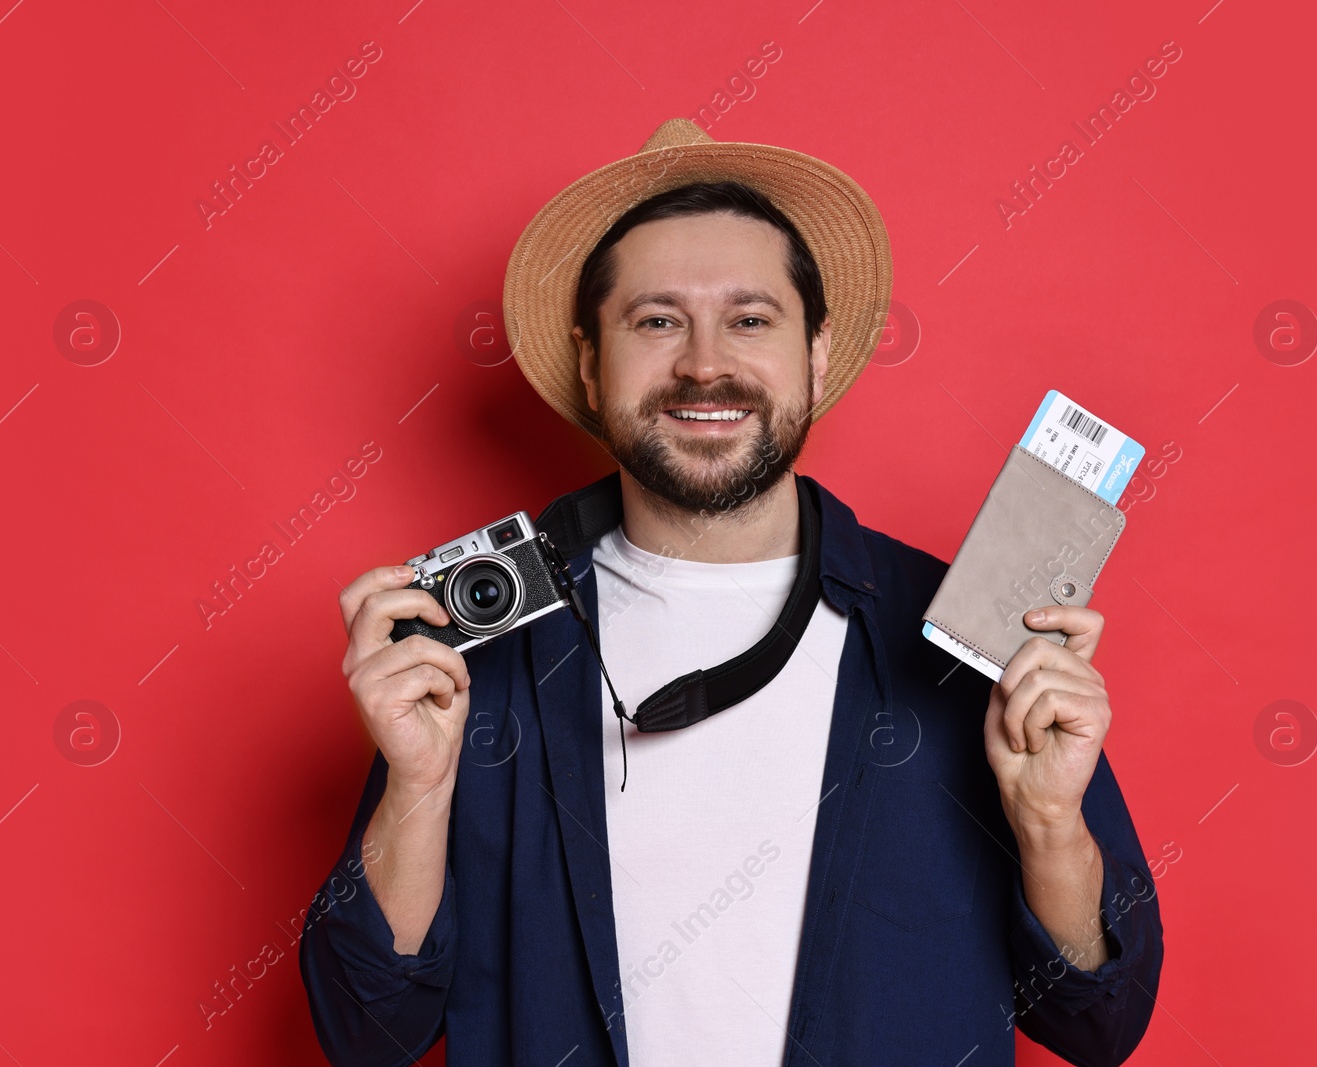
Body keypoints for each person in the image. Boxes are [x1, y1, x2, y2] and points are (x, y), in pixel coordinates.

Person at [299, 118, 1163, 1067]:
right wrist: (418, 789)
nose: (705, 363)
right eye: (657, 320)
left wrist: (1050, 825)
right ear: (592, 363)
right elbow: (368, 1031)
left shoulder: (958, 640)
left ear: (817, 355)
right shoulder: (480, 647)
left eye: (750, 319)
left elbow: (1096, 1021)